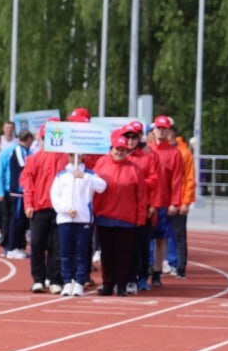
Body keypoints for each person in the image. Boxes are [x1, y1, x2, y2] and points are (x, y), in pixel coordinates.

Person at [93, 129, 148, 296]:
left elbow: (141, 196)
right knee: (107, 254)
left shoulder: (134, 169)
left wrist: (140, 218)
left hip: (126, 219)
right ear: (111, 149)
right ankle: (108, 284)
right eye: (117, 149)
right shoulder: (101, 163)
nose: (119, 152)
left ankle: (122, 285)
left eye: (123, 150)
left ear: (127, 151)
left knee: (124, 255)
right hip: (104, 217)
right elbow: (92, 188)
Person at [50, 156, 107, 297]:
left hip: (83, 219)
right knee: (65, 252)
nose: (73, 157)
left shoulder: (90, 175)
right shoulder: (61, 176)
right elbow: (55, 196)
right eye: (70, 155)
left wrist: (84, 176)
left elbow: (102, 186)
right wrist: (65, 209)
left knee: (82, 253)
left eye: (77, 155)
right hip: (65, 219)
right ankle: (67, 282)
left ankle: (80, 282)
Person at [20, 125, 64, 294]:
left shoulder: (66, 158)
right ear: (41, 139)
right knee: (37, 244)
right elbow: (27, 183)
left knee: (56, 246)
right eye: (45, 138)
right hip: (39, 207)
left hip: (60, 209)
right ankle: (38, 279)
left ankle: (55, 279)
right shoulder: (34, 159)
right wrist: (28, 204)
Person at [147, 115, 185, 289]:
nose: (161, 132)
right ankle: (143, 269)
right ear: (153, 130)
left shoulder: (174, 153)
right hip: (146, 203)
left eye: (164, 129)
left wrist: (174, 202)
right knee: (143, 239)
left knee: (160, 240)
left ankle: (156, 272)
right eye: (158, 128)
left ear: (169, 131)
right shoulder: (146, 151)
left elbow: (177, 180)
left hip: (163, 203)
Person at [123, 120, 157, 294]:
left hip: (142, 208)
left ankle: (142, 276)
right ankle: (125, 277)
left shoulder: (146, 158)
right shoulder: (119, 155)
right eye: (127, 137)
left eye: (134, 137)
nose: (130, 141)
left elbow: (154, 181)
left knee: (142, 245)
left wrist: (152, 205)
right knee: (125, 246)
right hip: (123, 208)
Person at [0, 130, 33, 259]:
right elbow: (25, 167)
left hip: (23, 190)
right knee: (16, 219)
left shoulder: (26, 151)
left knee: (22, 221)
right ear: (28, 139)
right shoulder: (19, 150)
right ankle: (11, 247)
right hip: (18, 190)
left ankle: (18, 246)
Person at [171, 127, 195, 279]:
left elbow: (190, 179)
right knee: (159, 237)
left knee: (179, 235)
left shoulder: (184, 153)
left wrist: (186, 201)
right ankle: (156, 268)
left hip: (179, 201)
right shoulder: (155, 150)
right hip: (162, 201)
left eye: (165, 129)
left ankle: (180, 267)